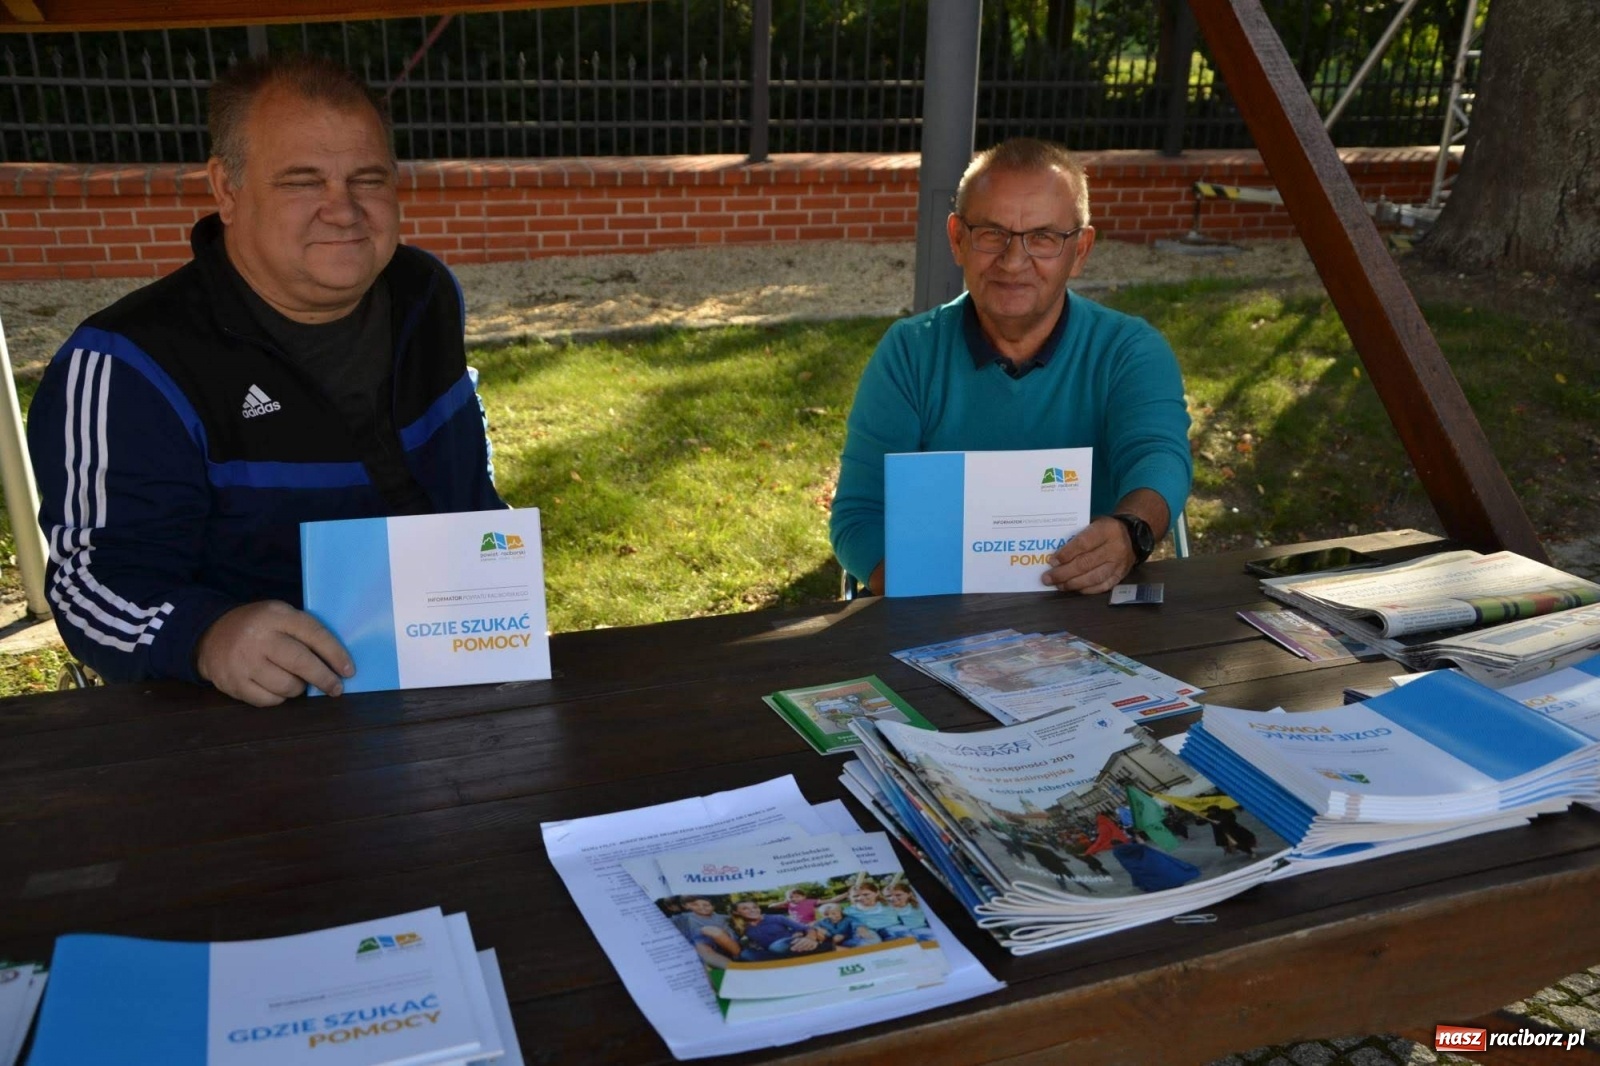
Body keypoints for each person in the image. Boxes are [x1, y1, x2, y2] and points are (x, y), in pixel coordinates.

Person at [27, 54, 503, 706]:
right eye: (303, 182)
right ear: (226, 189)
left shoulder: (425, 293)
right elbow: (90, 587)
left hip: (457, 672)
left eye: (368, 179)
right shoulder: (126, 363)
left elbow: (465, 489)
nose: (344, 211)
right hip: (247, 720)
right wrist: (209, 637)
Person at [830, 137, 1192, 596]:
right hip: (932, 613)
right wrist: (930, 596)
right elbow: (860, 514)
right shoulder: (909, 353)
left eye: (1043, 237)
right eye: (991, 233)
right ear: (957, 239)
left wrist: (1129, 533)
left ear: (1079, 251)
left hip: (1088, 606)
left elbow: (1157, 459)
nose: (1013, 260)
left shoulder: (1130, 351)